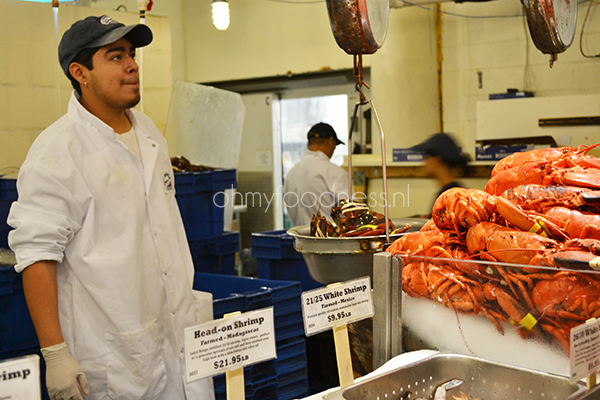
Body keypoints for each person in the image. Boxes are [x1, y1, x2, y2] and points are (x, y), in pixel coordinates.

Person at [7, 16, 214, 400]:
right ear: (79, 72)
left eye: (132, 55)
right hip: (115, 357)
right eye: (115, 56)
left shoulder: (150, 132)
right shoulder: (58, 151)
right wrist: (55, 353)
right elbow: (37, 253)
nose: (133, 65)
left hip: (179, 340)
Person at [283, 122, 349, 226]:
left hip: (300, 240)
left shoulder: (291, 174)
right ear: (330, 141)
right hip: (330, 241)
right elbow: (351, 213)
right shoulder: (335, 172)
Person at [411, 132, 470, 215]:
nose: (424, 162)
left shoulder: (452, 199)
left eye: (426, 157)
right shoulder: (450, 194)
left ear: (436, 161)